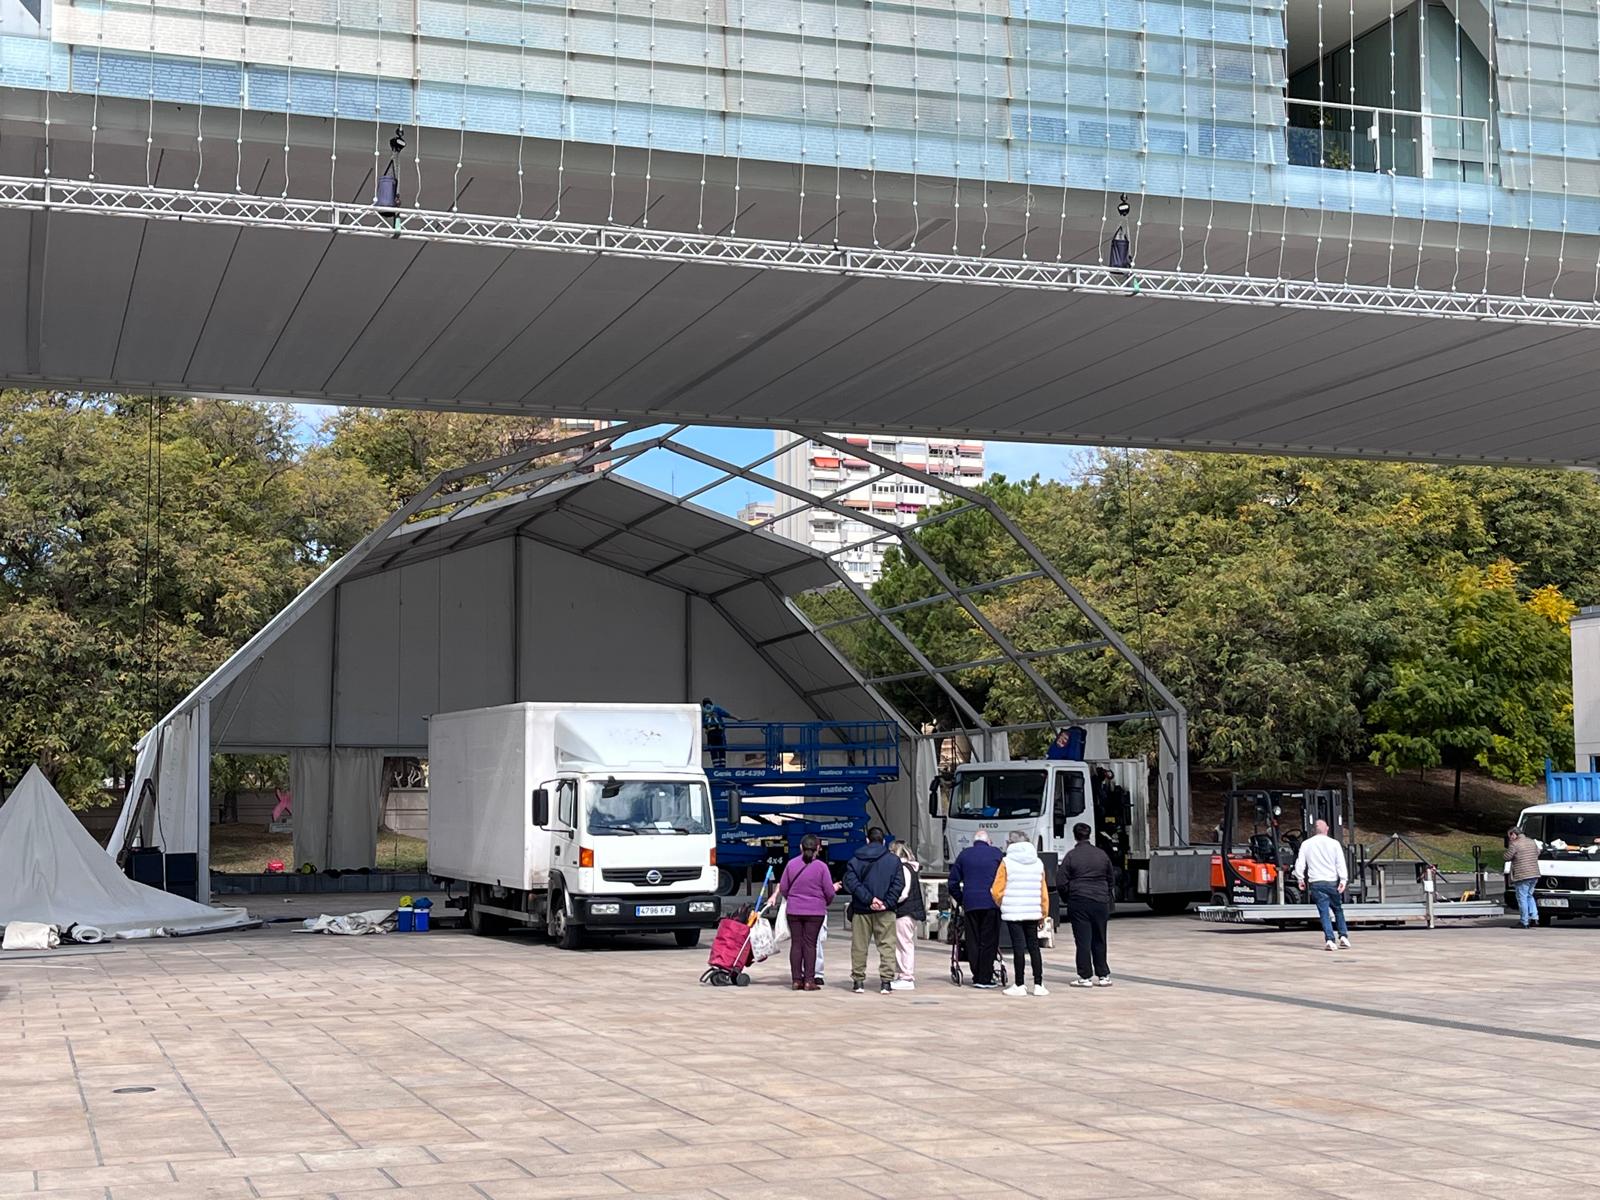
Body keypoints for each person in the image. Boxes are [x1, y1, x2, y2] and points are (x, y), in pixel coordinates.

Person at [843, 827, 905, 994]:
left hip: (862, 910)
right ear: (883, 841)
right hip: (886, 910)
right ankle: (886, 982)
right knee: (887, 945)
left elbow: (851, 883)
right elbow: (899, 884)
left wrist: (869, 899)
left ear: (867, 840)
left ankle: (858, 981)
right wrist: (886, 902)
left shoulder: (855, 859)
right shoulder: (893, 861)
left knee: (859, 946)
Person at [990, 830, 1050, 996]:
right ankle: (1039, 984)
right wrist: (1043, 913)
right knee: (1034, 947)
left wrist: (1003, 902)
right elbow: (1043, 891)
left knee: (1018, 947)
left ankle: (1019, 984)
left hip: (1013, 910)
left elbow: (997, 889)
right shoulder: (1038, 863)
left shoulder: (1006, 862)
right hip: (1033, 911)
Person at [778, 833, 840, 990]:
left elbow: (784, 888)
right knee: (810, 945)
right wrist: (824, 902)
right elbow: (829, 891)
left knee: (796, 944)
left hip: (794, 910)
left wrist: (793, 899)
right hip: (816, 911)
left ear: (800, 847)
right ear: (818, 848)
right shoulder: (822, 867)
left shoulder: (791, 865)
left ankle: (796, 979)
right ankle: (809, 980)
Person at [1058, 822, 1114, 988]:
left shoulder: (1071, 856)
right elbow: (1111, 878)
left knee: (1083, 940)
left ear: (1075, 836)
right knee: (1100, 938)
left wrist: (1068, 896)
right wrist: (1105, 893)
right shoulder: (1102, 855)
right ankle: (1103, 975)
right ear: (1089, 835)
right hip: (1100, 900)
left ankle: (1085, 976)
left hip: (1079, 900)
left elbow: (1061, 881)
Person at [948, 830, 1004, 988]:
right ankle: (985, 977)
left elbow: (952, 882)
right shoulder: (996, 854)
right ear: (989, 841)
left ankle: (976, 974)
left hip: (970, 903)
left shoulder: (964, 855)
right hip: (992, 903)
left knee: (973, 939)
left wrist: (961, 898)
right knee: (989, 940)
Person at [1294, 818, 1350, 951]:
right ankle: (1343, 936)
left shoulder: (1306, 844)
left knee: (1324, 912)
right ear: (1327, 829)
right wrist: (1343, 880)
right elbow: (1340, 863)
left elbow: (1300, 863)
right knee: (1337, 909)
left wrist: (1300, 879)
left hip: (1316, 882)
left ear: (1314, 830)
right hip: (1331, 881)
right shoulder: (1334, 844)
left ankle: (1330, 940)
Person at [890, 843, 925, 990]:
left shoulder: (903, 869)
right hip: (911, 911)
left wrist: (889, 901)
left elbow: (903, 892)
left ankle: (906, 976)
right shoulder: (911, 868)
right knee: (904, 943)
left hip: (904, 911)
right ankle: (904, 975)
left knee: (903, 944)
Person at [1504, 826, 1541, 929]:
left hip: (1522, 875)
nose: (1509, 838)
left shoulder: (1515, 844)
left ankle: (1524, 921)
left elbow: (1507, 857)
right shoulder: (1532, 842)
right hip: (1534, 873)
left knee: (1522, 898)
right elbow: (1538, 852)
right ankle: (1534, 917)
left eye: (1509, 836)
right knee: (1529, 895)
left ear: (1513, 834)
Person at [700, 698, 734, 768]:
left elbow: (703, 724)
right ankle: (722, 766)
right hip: (719, 732)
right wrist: (737, 718)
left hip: (710, 734)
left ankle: (716, 767)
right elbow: (727, 715)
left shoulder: (703, 712)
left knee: (713, 749)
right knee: (721, 748)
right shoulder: (717, 709)